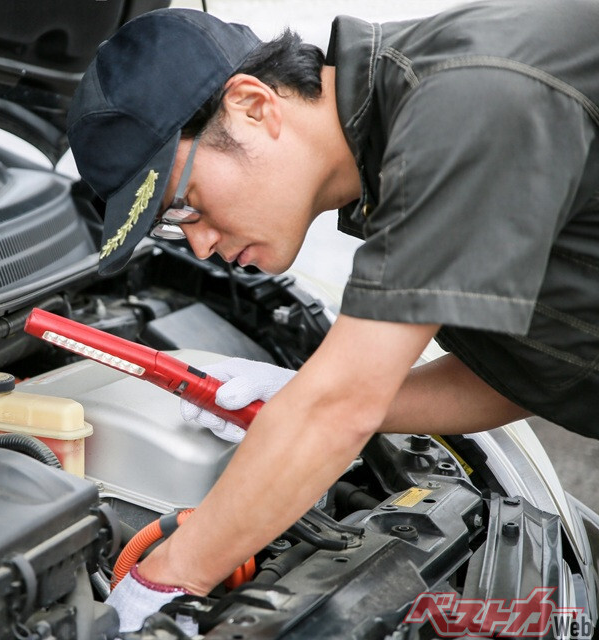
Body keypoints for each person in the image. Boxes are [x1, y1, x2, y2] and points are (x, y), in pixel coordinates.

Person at [66, 0, 599, 632]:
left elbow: (339, 407)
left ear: (252, 106)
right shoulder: (403, 152)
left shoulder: (460, 107)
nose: (201, 246)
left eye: (182, 207)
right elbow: (520, 376)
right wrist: (305, 394)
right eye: (174, 233)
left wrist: (169, 576)